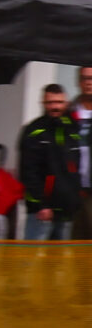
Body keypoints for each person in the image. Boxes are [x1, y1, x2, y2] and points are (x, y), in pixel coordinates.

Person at [19, 83, 81, 239]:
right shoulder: (34, 131)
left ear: (66, 103)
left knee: (61, 261)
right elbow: (28, 172)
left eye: (59, 102)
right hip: (41, 212)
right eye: (50, 102)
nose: (55, 106)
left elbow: (76, 167)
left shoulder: (72, 130)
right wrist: (41, 205)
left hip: (66, 210)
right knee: (33, 259)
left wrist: (74, 199)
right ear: (43, 103)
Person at [71, 67, 92, 237]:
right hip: (72, 189)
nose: (89, 82)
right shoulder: (68, 112)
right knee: (73, 241)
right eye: (85, 78)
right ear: (78, 82)